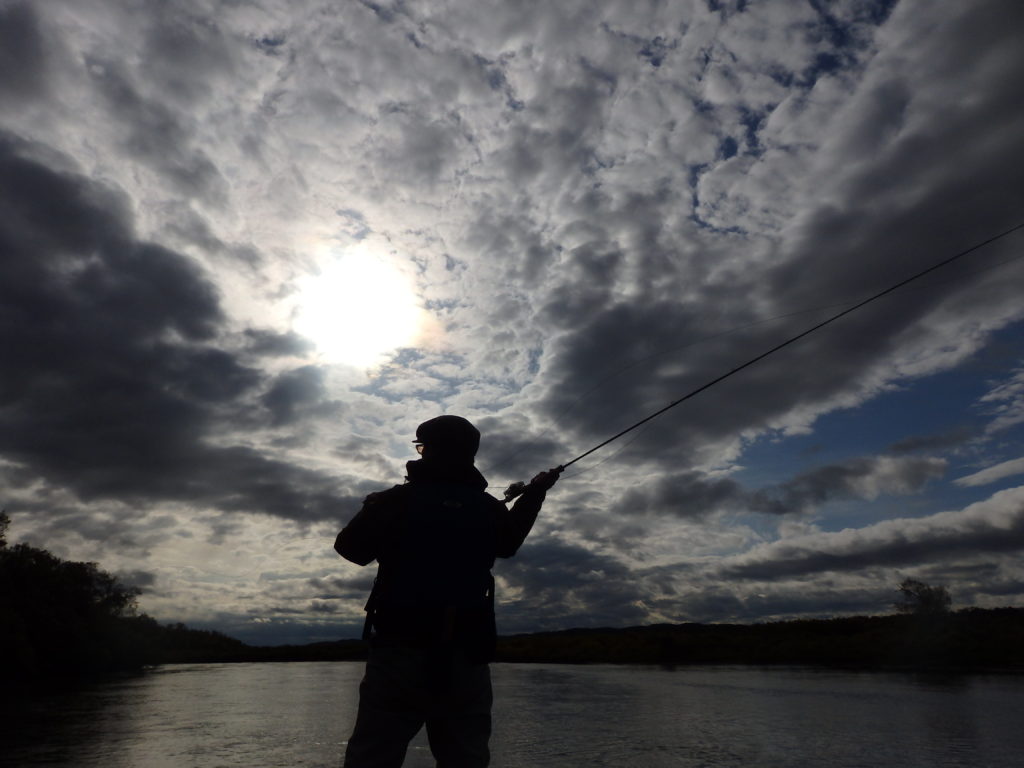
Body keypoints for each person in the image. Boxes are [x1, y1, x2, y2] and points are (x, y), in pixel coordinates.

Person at [335, 415, 560, 768]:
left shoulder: (395, 501)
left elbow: (351, 550)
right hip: (467, 654)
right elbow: (508, 544)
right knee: (465, 757)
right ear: (470, 455)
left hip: (399, 650)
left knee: (373, 756)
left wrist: (373, 510)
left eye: (422, 447)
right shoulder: (487, 507)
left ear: (428, 451)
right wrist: (533, 496)